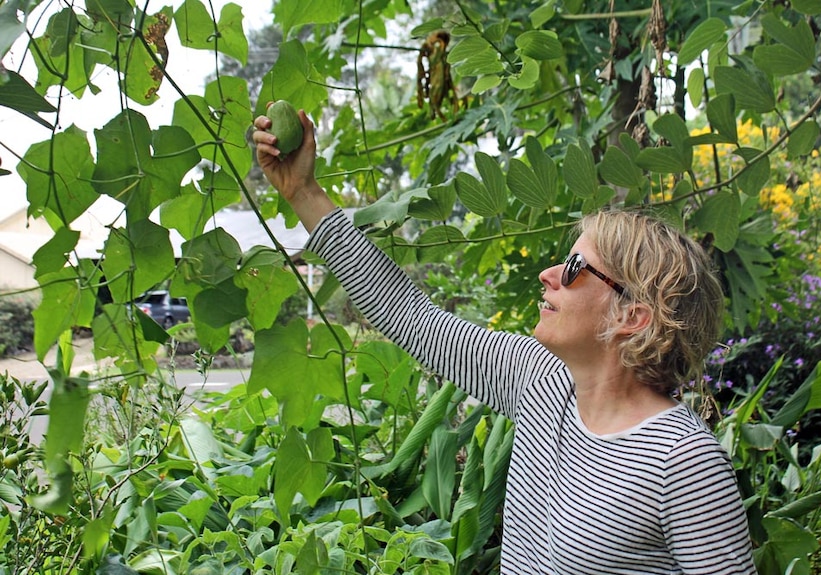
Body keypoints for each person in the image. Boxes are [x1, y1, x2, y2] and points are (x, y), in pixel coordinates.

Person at [252, 110, 757, 574]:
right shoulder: (540, 380)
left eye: (577, 268)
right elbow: (409, 315)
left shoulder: (682, 462)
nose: (548, 274)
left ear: (633, 315)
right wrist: (303, 191)